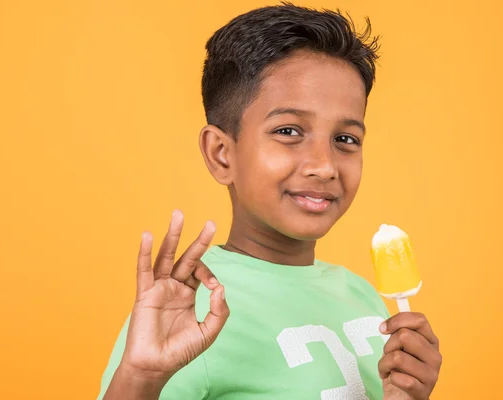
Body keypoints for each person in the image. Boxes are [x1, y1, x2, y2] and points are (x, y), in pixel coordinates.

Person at [97, 4, 442, 399]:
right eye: (289, 130)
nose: (324, 166)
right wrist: (140, 377)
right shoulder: (188, 307)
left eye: (345, 139)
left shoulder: (364, 296)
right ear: (221, 153)